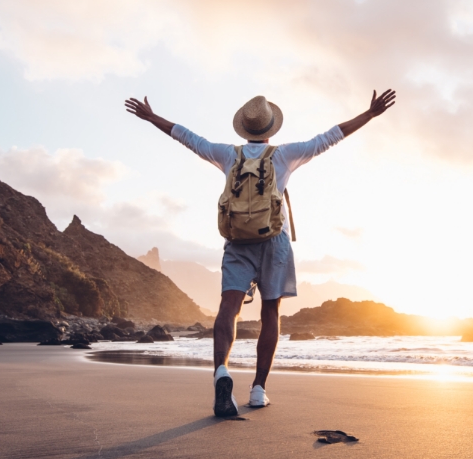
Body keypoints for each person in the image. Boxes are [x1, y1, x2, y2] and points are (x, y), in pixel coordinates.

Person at [125, 89, 396, 416]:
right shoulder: (284, 155)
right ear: (270, 129)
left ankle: (222, 372)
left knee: (230, 306)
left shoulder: (227, 154)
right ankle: (257, 390)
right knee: (270, 311)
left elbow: (188, 137)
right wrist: (368, 115)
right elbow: (329, 138)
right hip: (274, 242)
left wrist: (152, 117)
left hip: (238, 242)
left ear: (244, 128)